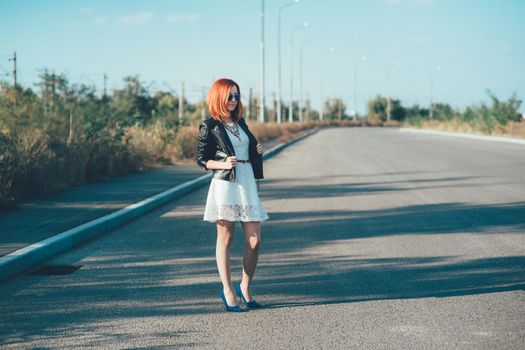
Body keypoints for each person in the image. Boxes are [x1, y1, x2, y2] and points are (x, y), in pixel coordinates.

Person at [196, 78, 269, 312]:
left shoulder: (241, 122)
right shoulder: (210, 126)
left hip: (246, 181)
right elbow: (201, 160)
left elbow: (245, 148)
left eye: (236, 96)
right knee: (226, 239)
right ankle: (227, 290)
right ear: (219, 97)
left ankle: (244, 287)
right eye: (229, 96)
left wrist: (256, 151)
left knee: (254, 241)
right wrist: (222, 163)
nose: (234, 100)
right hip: (226, 184)